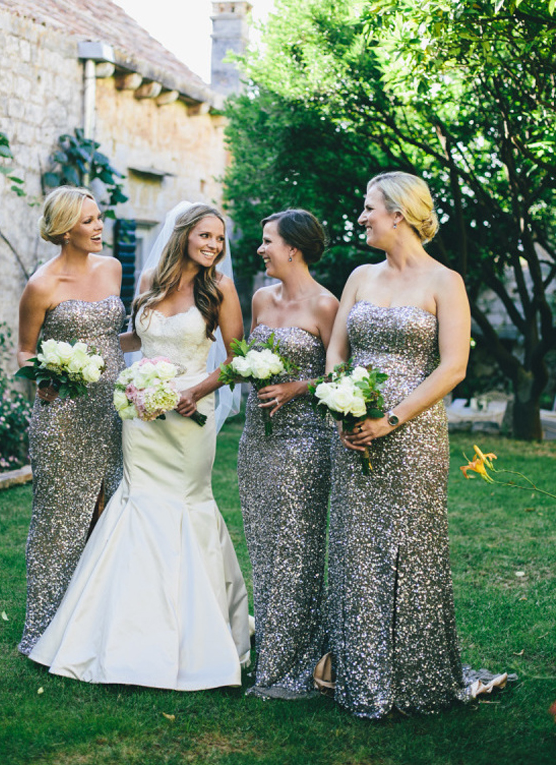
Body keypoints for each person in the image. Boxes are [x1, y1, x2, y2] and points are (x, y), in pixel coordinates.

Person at [28, 203, 251, 690]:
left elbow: (238, 360)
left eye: (220, 239)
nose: (214, 246)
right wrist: (78, 352)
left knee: (187, 507)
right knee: (136, 506)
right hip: (142, 415)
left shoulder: (221, 289)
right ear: (184, 234)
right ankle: (127, 635)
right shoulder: (151, 276)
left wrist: (196, 392)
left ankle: (200, 635)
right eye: (206, 236)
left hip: (191, 415)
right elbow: (136, 337)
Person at [324, 171, 508, 717]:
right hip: (352, 429)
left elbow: (454, 366)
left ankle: (416, 676)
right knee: (356, 548)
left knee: (410, 544)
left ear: (398, 214)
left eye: (369, 208)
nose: (362, 217)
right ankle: (360, 674)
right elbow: (336, 350)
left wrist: (392, 418)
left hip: (413, 432)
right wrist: (342, 403)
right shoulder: (359, 276)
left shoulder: (444, 281)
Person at [17, 186, 126, 656]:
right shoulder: (42, 285)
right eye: (89, 221)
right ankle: (44, 627)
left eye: (100, 217)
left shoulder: (114, 268)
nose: (99, 226)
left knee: (110, 512)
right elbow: (23, 351)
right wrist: (45, 373)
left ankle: (95, 627)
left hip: (113, 412)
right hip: (61, 416)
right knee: (58, 522)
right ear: (64, 229)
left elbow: (117, 339)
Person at [238, 209, 339, 699]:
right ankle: (270, 654)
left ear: (293, 248)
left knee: (296, 552)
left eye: (267, 241)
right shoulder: (260, 298)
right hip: (256, 442)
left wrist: (300, 386)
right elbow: (242, 358)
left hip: (304, 444)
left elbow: (342, 378)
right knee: (263, 547)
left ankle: (296, 660)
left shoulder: (326, 306)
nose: (261, 249)